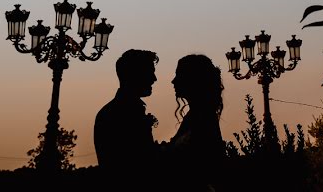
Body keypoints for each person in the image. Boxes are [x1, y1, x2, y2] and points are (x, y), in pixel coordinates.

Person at [93, 48, 161, 179]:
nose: (154, 78)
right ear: (135, 75)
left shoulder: (110, 111)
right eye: (149, 73)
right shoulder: (121, 113)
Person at [162, 54, 226, 190]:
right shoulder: (198, 115)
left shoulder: (202, 118)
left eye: (179, 75)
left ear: (193, 80)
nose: (173, 81)